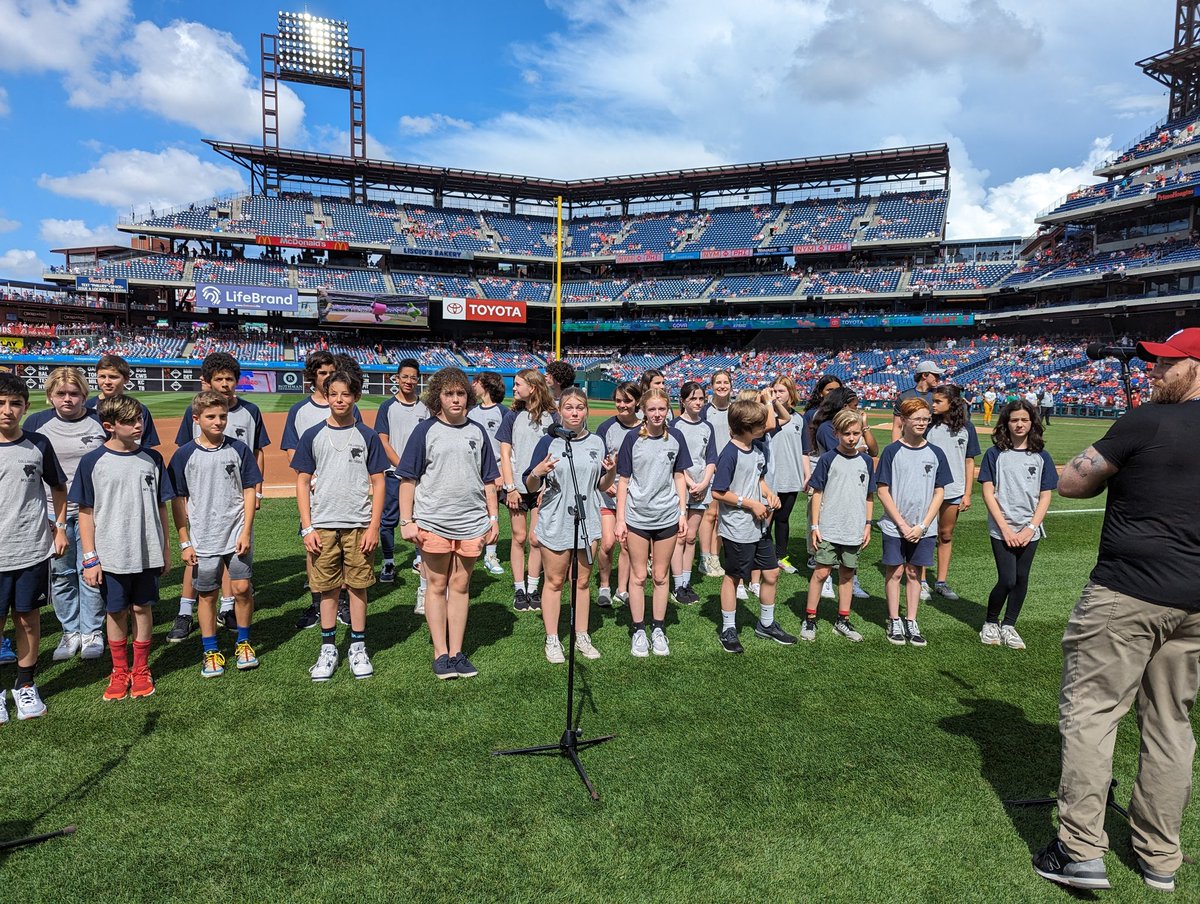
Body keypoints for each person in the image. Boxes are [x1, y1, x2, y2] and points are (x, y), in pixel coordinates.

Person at [1031, 328, 1200, 893]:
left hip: (1127, 592)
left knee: (1092, 714)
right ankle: (1160, 859)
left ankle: (1079, 850)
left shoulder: (1146, 420)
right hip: (1194, 601)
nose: (1155, 372)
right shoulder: (1152, 416)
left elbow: (1072, 482)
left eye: (1166, 364)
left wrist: (1129, 447)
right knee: (1171, 723)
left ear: (1194, 367)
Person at [399, 367, 500, 680]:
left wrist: (493, 518)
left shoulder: (477, 432)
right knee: (437, 584)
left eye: (460, 394)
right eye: (449, 394)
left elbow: (489, 480)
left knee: (460, 585)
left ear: (468, 397)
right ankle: (440, 653)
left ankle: (457, 653)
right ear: (437, 398)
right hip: (433, 522)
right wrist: (407, 521)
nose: (456, 399)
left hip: (472, 523)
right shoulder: (425, 431)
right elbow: (408, 480)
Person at [71, 394, 173, 701]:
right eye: (129, 422)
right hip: (111, 554)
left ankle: (141, 668)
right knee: (115, 612)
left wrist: (166, 549)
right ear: (109, 426)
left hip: (146, 551)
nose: (138, 425)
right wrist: (90, 557)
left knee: (142, 608)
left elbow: (162, 507)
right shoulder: (92, 462)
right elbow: (85, 512)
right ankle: (119, 670)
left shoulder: (153, 459)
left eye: (139, 419)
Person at [291, 369, 388, 682]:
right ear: (326, 396)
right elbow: (303, 480)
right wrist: (307, 527)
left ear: (356, 397)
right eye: (334, 394)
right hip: (323, 525)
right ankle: (328, 647)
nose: (340, 400)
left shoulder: (368, 435)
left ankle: (358, 646)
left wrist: (374, 527)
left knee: (358, 587)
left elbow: (379, 481)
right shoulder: (313, 435)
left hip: (359, 525)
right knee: (327, 588)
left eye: (346, 394)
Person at [169, 352, 270, 640]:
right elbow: (184, 456)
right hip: (203, 497)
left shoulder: (249, 413)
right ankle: (185, 611)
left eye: (229, 379)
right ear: (208, 382)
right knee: (200, 563)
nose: (225, 384)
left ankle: (229, 610)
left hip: (237, 498)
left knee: (234, 561)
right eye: (219, 379)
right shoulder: (195, 414)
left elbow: (258, 451)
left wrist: (257, 490)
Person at [23, 366, 107, 662]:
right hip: (50, 511)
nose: (68, 399)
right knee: (61, 574)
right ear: (50, 396)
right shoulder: (37, 423)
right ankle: (70, 630)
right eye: (61, 394)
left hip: (91, 511)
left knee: (91, 572)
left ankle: (92, 630)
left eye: (74, 393)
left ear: (85, 395)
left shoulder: (99, 422)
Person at [523, 387, 611, 662]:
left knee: (582, 582)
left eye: (580, 407)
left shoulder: (597, 442)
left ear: (586, 410)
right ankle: (552, 638)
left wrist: (614, 471)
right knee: (555, 581)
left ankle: (581, 634)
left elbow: (602, 485)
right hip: (557, 518)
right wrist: (537, 472)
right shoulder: (547, 442)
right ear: (560, 411)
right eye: (569, 407)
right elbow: (530, 484)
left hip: (589, 519)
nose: (575, 412)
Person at [0, 372, 68, 722]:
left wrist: (59, 529)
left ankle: (25, 685)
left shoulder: (38, 444)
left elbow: (58, 487)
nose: (7, 410)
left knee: (27, 620)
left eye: (15, 404)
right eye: (1, 403)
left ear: (26, 407)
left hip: (31, 549)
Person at [281, 351, 362, 630]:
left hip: (344, 490)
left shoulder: (349, 407)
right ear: (313, 377)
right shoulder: (299, 411)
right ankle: (317, 601)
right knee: (314, 546)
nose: (327, 377)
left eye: (331, 372)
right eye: (322, 373)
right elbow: (293, 449)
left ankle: (341, 601)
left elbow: (358, 443)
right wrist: (310, 476)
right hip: (315, 490)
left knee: (345, 547)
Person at [710, 398, 796, 654]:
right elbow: (718, 492)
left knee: (771, 573)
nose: (765, 427)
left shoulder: (757, 449)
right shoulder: (729, 454)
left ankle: (766, 624)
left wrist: (769, 494)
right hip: (738, 528)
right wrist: (750, 504)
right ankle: (728, 629)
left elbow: (758, 479)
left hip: (759, 528)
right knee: (734, 577)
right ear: (746, 426)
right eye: (760, 424)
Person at [615, 388, 691, 657]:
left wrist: (683, 512)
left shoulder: (676, 437)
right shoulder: (631, 439)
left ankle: (658, 628)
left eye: (661, 409)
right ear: (643, 411)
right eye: (651, 409)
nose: (657, 414)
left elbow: (680, 476)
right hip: (637, 516)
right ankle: (638, 629)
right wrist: (620, 519)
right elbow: (623, 480)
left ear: (667, 409)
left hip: (668, 516)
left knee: (660, 576)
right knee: (638, 576)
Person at [977, 400, 1055, 650]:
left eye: (1024, 419)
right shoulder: (995, 454)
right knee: (1007, 579)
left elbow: (1045, 496)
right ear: (1006, 423)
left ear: (1032, 422)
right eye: (1014, 420)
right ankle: (991, 621)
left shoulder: (1042, 456)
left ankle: (1009, 625)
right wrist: (1006, 529)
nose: (1019, 424)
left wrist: (1031, 528)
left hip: (1029, 531)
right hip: (1002, 529)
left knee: (1022, 578)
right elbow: (988, 492)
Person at [875, 397, 951, 647]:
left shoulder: (936, 453)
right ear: (904, 420)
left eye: (926, 419)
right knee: (895, 571)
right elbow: (883, 490)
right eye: (917, 418)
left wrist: (922, 525)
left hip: (924, 528)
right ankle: (894, 619)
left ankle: (911, 619)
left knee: (914, 572)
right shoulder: (892, 451)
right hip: (895, 526)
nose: (922, 423)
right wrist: (903, 525)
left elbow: (940, 491)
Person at [804, 409, 875, 643]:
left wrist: (867, 524)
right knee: (821, 572)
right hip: (829, 526)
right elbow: (817, 492)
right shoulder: (827, 459)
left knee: (847, 575)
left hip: (854, 528)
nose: (852, 438)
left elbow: (869, 496)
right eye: (847, 433)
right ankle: (810, 618)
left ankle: (842, 620)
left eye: (856, 433)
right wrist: (815, 525)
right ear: (836, 434)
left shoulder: (865, 460)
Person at [497, 369, 556, 613]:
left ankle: (533, 587)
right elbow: (505, 452)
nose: (514, 388)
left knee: (536, 539)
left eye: (518, 384)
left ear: (532, 387)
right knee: (519, 537)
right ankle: (519, 588)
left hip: (543, 489)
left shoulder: (553, 416)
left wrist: (548, 486)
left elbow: (557, 453)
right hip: (517, 489)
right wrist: (510, 488)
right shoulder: (512, 416)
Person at [374, 358, 429, 601]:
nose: (408, 381)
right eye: (404, 377)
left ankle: (419, 557)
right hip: (393, 474)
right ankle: (388, 561)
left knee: (420, 517)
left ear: (418, 379)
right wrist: (402, 465)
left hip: (420, 475)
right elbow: (383, 440)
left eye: (413, 377)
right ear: (396, 378)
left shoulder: (425, 407)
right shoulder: (387, 407)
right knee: (389, 520)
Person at [925, 384, 980, 601]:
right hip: (928, 490)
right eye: (933, 400)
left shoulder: (967, 428)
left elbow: (969, 461)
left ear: (952, 403)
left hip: (954, 490)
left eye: (938, 401)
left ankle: (940, 582)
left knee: (945, 535)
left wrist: (967, 493)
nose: (933, 405)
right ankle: (920, 581)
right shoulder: (929, 425)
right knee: (924, 535)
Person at [669, 381, 718, 606]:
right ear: (683, 401)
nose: (697, 402)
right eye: (693, 399)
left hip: (702, 488)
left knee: (691, 537)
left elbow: (711, 458)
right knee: (680, 536)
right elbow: (673, 461)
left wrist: (704, 482)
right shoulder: (674, 426)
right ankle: (677, 584)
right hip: (681, 486)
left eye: (701, 398)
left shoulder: (707, 427)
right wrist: (689, 483)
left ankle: (686, 582)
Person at [595, 381, 642, 607]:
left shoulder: (645, 427)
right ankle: (604, 585)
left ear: (637, 402)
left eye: (628, 400)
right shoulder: (605, 428)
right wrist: (608, 484)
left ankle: (622, 589)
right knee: (607, 543)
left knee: (625, 544)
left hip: (633, 496)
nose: (622, 405)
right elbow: (598, 462)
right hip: (608, 493)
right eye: (619, 400)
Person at [468, 371, 509, 576]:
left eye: (476, 382)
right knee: (474, 510)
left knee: (493, 512)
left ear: (487, 385)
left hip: (496, 472)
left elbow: (509, 445)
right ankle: (471, 548)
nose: (472, 385)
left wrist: (502, 470)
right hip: (473, 470)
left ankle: (490, 555)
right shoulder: (471, 412)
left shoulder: (503, 412)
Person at [767, 376, 805, 574]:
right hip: (770, 477)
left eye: (782, 391)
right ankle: (763, 557)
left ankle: (781, 556)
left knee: (783, 519)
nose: (778, 395)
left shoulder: (799, 419)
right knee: (766, 519)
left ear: (791, 393)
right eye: (775, 390)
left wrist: (806, 475)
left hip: (790, 476)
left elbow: (804, 450)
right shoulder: (766, 416)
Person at [699, 369, 733, 578]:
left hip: (730, 469)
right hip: (710, 468)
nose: (722, 386)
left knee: (722, 516)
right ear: (711, 386)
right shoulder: (705, 410)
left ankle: (715, 555)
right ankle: (704, 557)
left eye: (725, 382)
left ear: (731, 385)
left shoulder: (736, 409)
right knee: (710, 514)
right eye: (718, 382)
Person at [85, 354, 161, 448]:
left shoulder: (139, 410)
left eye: (113, 377)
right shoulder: (86, 408)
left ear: (126, 379)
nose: (107, 382)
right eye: (102, 377)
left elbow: (146, 446)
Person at [890, 359, 944, 441]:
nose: (938, 378)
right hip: (910, 445)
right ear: (924, 375)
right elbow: (897, 426)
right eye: (935, 375)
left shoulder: (940, 396)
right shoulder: (905, 396)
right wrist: (895, 449)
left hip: (935, 444)